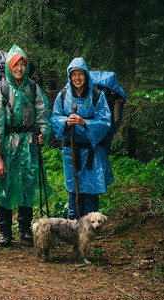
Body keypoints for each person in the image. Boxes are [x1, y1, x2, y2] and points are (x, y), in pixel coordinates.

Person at [0, 45, 51, 247]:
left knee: (27, 184)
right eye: (16, 65)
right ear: (9, 67)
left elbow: (42, 114)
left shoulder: (33, 88)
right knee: (5, 186)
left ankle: (25, 230)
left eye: (23, 64)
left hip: (29, 145)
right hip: (7, 146)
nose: (20, 68)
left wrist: (42, 134)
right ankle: (5, 231)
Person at [50, 57, 114, 219]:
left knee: (91, 187)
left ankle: (91, 226)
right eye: (74, 74)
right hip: (71, 151)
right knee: (74, 186)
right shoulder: (63, 95)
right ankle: (73, 224)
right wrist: (66, 122)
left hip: (91, 151)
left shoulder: (97, 96)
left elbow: (105, 121)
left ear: (86, 75)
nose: (77, 78)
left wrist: (84, 122)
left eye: (80, 74)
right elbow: (55, 117)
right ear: (69, 76)